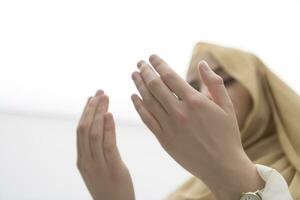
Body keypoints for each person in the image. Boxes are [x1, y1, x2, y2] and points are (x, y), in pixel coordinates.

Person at [76, 42, 299, 200]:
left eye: (222, 79)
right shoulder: (188, 190)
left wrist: (230, 173)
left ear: (260, 92)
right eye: (193, 86)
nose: (203, 95)